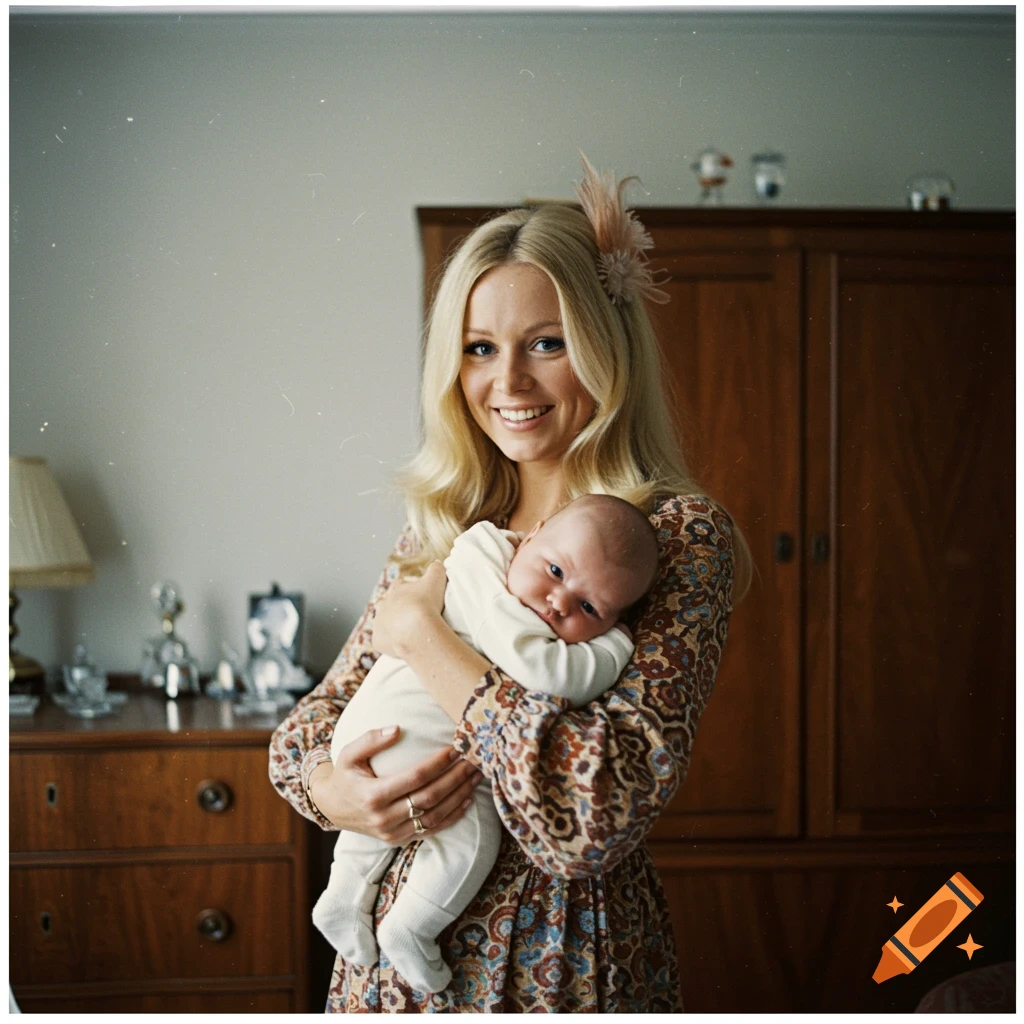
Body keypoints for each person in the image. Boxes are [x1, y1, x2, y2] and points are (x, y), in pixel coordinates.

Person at [269, 152, 753, 1012]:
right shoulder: (441, 531)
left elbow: (593, 813)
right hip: (385, 978)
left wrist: (426, 638)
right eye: (480, 349)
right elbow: (306, 730)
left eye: (546, 344)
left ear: (606, 348)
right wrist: (339, 795)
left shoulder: (677, 539)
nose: (509, 383)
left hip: (554, 965)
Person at [311, 495, 659, 995]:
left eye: (588, 607)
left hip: (366, 733)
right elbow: (553, 677)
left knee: (384, 812)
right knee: (469, 839)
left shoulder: (475, 551)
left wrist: (416, 626)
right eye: (556, 570)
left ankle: (343, 895)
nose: (558, 603)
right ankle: (411, 927)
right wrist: (614, 645)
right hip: (417, 743)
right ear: (530, 536)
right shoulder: (513, 621)